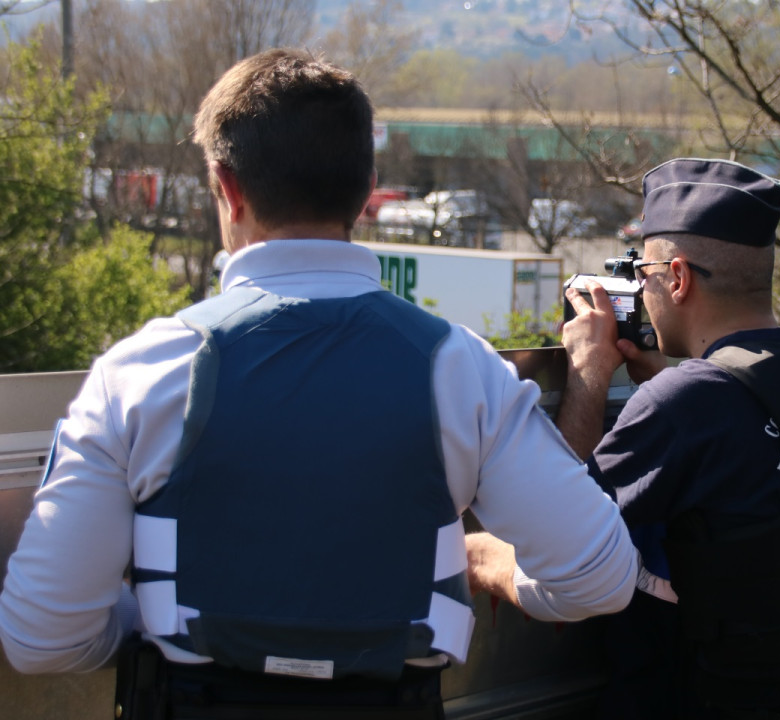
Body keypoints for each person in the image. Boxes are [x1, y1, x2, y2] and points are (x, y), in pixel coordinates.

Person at [0, 48, 639, 719]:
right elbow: (601, 580)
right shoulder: (463, 369)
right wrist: (495, 567)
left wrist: (148, 620)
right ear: (366, 192)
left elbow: (42, 638)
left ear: (228, 188)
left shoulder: (137, 374)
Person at [481, 157, 780, 718]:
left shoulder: (690, 402)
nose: (638, 284)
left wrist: (588, 374)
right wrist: (668, 383)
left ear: (678, 279)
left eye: (644, 272)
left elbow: (567, 556)